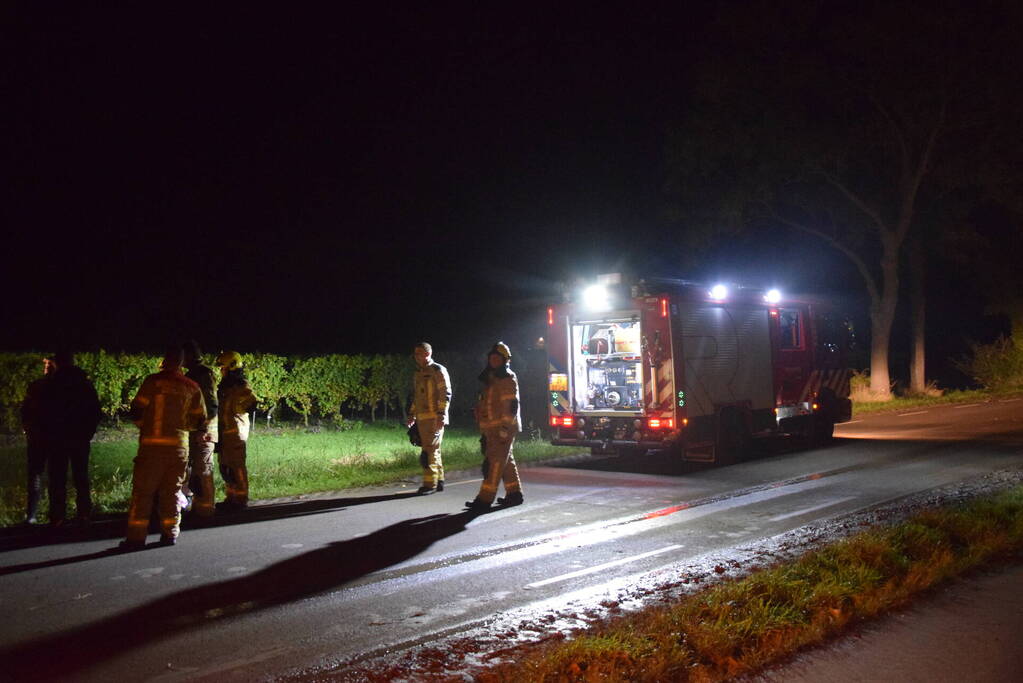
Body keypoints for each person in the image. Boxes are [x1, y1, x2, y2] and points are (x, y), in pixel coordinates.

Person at [120, 347, 206, 550]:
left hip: (152, 448)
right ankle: (170, 534)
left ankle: (136, 538)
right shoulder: (192, 387)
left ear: (165, 361)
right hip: (178, 449)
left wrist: (146, 427)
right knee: (172, 492)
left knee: (143, 493)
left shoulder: (153, 382)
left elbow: (137, 410)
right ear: (181, 363)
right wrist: (182, 430)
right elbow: (200, 420)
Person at [38, 349, 102, 527]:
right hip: (79, 437)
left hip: (57, 438)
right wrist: (87, 432)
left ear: (57, 362)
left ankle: (57, 516)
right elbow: (95, 411)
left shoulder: (52, 384)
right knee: (81, 476)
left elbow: (43, 411)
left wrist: (46, 433)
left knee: (57, 478)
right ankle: (84, 514)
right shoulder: (84, 383)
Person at [466, 342, 524, 511]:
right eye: (492, 357)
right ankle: (514, 494)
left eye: (497, 358)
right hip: (491, 429)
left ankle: (484, 500)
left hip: (503, 429)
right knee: (506, 461)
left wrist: (505, 428)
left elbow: (511, 405)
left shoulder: (507, 377)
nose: (493, 360)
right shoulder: (490, 377)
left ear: (505, 360)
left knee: (494, 463)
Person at [215, 350, 259, 508]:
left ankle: (241, 499)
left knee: (236, 467)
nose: (221, 371)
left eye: (223, 368)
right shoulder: (225, 387)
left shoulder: (241, 386)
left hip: (236, 434)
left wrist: (242, 406)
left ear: (232, 367)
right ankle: (231, 497)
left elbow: (251, 403)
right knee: (225, 467)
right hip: (225, 433)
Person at [407, 342, 451, 495]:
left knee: (429, 451)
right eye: (415, 353)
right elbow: (417, 397)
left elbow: (445, 394)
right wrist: (412, 414)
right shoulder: (418, 373)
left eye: (419, 353)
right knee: (433, 450)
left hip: (434, 417)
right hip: (422, 419)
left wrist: (441, 415)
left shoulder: (438, 370)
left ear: (428, 353)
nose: (416, 356)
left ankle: (429, 484)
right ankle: (439, 481)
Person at [182, 340, 218, 519]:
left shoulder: (203, 374)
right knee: (194, 470)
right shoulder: (192, 374)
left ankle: (205, 510)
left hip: (203, 431)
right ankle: (195, 505)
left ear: (190, 355)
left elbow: (210, 404)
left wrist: (203, 428)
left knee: (203, 470)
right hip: (195, 430)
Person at [20, 355, 55, 524]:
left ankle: (37, 515)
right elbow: (25, 410)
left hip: (48, 437)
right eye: (46, 364)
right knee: (38, 475)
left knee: (45, 475)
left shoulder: (43, 386)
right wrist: (27, 427)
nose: (46, 366)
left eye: (49, 363)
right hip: (40, 436)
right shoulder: (37, 385)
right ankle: (34, 515)